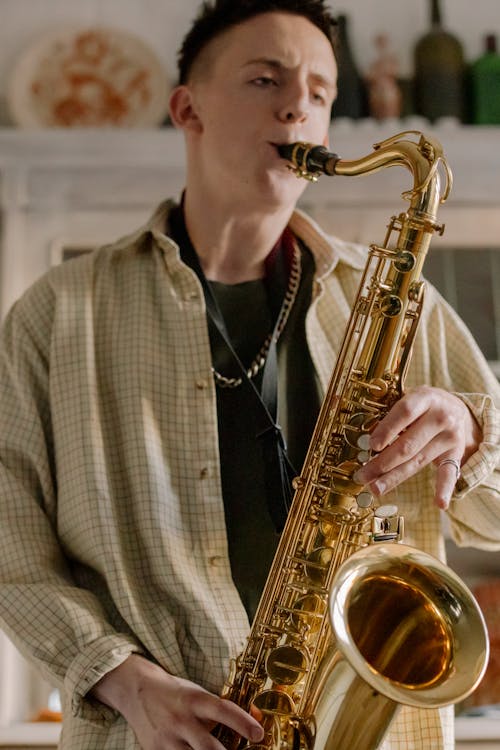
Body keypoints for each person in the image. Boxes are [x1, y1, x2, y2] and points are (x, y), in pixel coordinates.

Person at [0, 1, 499, 748]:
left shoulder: (404, 304)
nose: (299, 104)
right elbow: (11, 549)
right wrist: (124, 681)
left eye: (321, 92)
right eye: (266, 79)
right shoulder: (58, 313)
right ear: (187, 108)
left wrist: (472, 428)